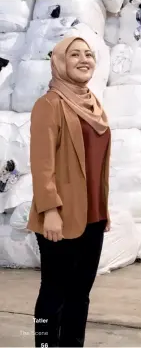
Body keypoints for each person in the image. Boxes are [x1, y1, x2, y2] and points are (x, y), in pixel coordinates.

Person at [28, 37, 111, 348]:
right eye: (74, 54)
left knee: (80, 293)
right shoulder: (49, 105)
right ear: (60, 61)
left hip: (93, 216)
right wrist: (49, 210)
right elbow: (41, 162)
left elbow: (97, 166)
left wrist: (104, 210)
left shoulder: (94, 106)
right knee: (54, 291)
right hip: (60, 216)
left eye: (88, 54)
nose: (83, 59)